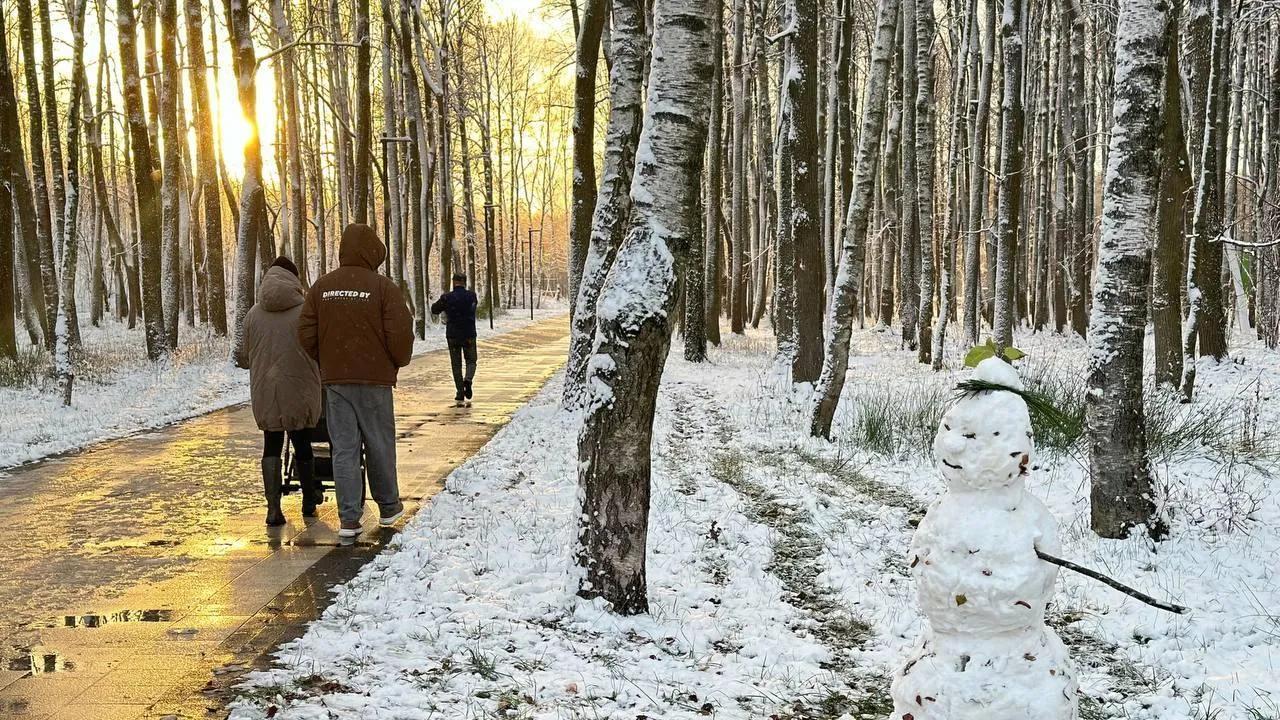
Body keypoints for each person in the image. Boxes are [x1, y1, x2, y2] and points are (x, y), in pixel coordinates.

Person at [297, 224, 415, 538]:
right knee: (379, 443)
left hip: (336, 383)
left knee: (344, 449)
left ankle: (349, 518)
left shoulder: (321, 288)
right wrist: (394, 361)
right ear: (373, 253)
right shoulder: (383, 289)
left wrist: (327, 360)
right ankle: (388, 506)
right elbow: (401, 335)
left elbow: (305, 333)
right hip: (375, 382)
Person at [234, 256, 323, 526]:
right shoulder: (306, 310)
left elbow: (245, 354)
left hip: (266, 390)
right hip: (300, 388)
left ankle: (273, 508)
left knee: (271, 444)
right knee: (302, 442)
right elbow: (317, 347)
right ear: (294, 279)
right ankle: (309, 499)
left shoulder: (253, 314)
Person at [430, 272, 479, 407]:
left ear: (453, 282)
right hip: (469, 334)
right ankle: (468, 380)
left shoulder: (447, 298)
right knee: (471, 360)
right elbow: (474, 308)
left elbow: (434, 310)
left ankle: (459, 392)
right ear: (465, 282)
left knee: (456, 364)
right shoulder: (471, 296)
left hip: (453, 335)